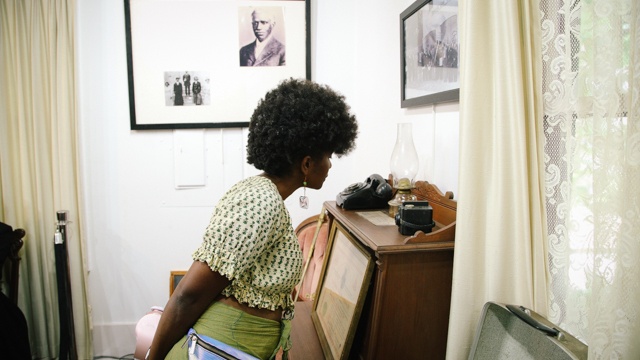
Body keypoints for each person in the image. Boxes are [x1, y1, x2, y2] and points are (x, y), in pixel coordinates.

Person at [147, 78, 358, 360]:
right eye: (329, 156)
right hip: (216, 351)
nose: (331, 165)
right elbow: (189, 295)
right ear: (306, 164)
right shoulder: (260, 202)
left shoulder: (264, 195)